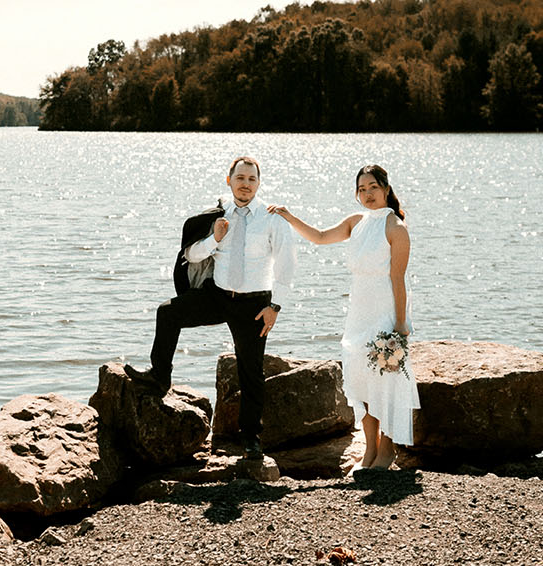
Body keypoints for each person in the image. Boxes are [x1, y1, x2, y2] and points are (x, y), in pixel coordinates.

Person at [126, 156, 298, 460]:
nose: (245, 185)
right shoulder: (215, 217)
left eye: (251, 179)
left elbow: (286, 266)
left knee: (251, 371)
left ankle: (251, 439)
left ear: (259, 183)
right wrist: (214, 240)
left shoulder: (272, 219)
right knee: (167, 312)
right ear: (228, 180)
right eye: (240, 178)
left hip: (254, 305)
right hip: (216, 296)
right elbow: (190, 256)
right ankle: (159, 375)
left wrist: (275, 307)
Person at [269, 164, 418, 471]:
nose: (367, 194)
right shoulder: (356, 222)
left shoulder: (396, 229)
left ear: (386, 189)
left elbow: (398, 280)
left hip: (385, 312)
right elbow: (321, 237)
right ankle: (368, 450)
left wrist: (400, 325)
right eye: (361, 189)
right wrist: (288, 216)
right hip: (359, 311)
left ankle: (387, 450)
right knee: (358, 375)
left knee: (384, 378)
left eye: (373, 187)